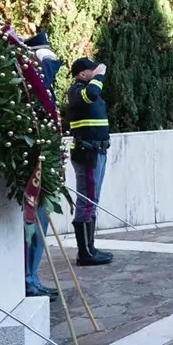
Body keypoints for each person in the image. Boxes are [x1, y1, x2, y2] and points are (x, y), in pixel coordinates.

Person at [22, 31, 62, 298]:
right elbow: (41, 81)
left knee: (40, 227)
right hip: (31, 166)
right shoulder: (29, 79)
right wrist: (43, 60)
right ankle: (27, 278)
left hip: (45, 162)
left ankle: (33, 275)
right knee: (31, 227)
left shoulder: (42, 81)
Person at [65, 57, 113, 266]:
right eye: (91, 71)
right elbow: (91, 93)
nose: (96, 73)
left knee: (92, 202)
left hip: (97, 152)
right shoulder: (77, 91)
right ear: (82, 74)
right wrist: (99, 75)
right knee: (86, 202)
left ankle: (90, 248)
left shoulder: (88, 91)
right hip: (87, 154)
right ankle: (84, 253)